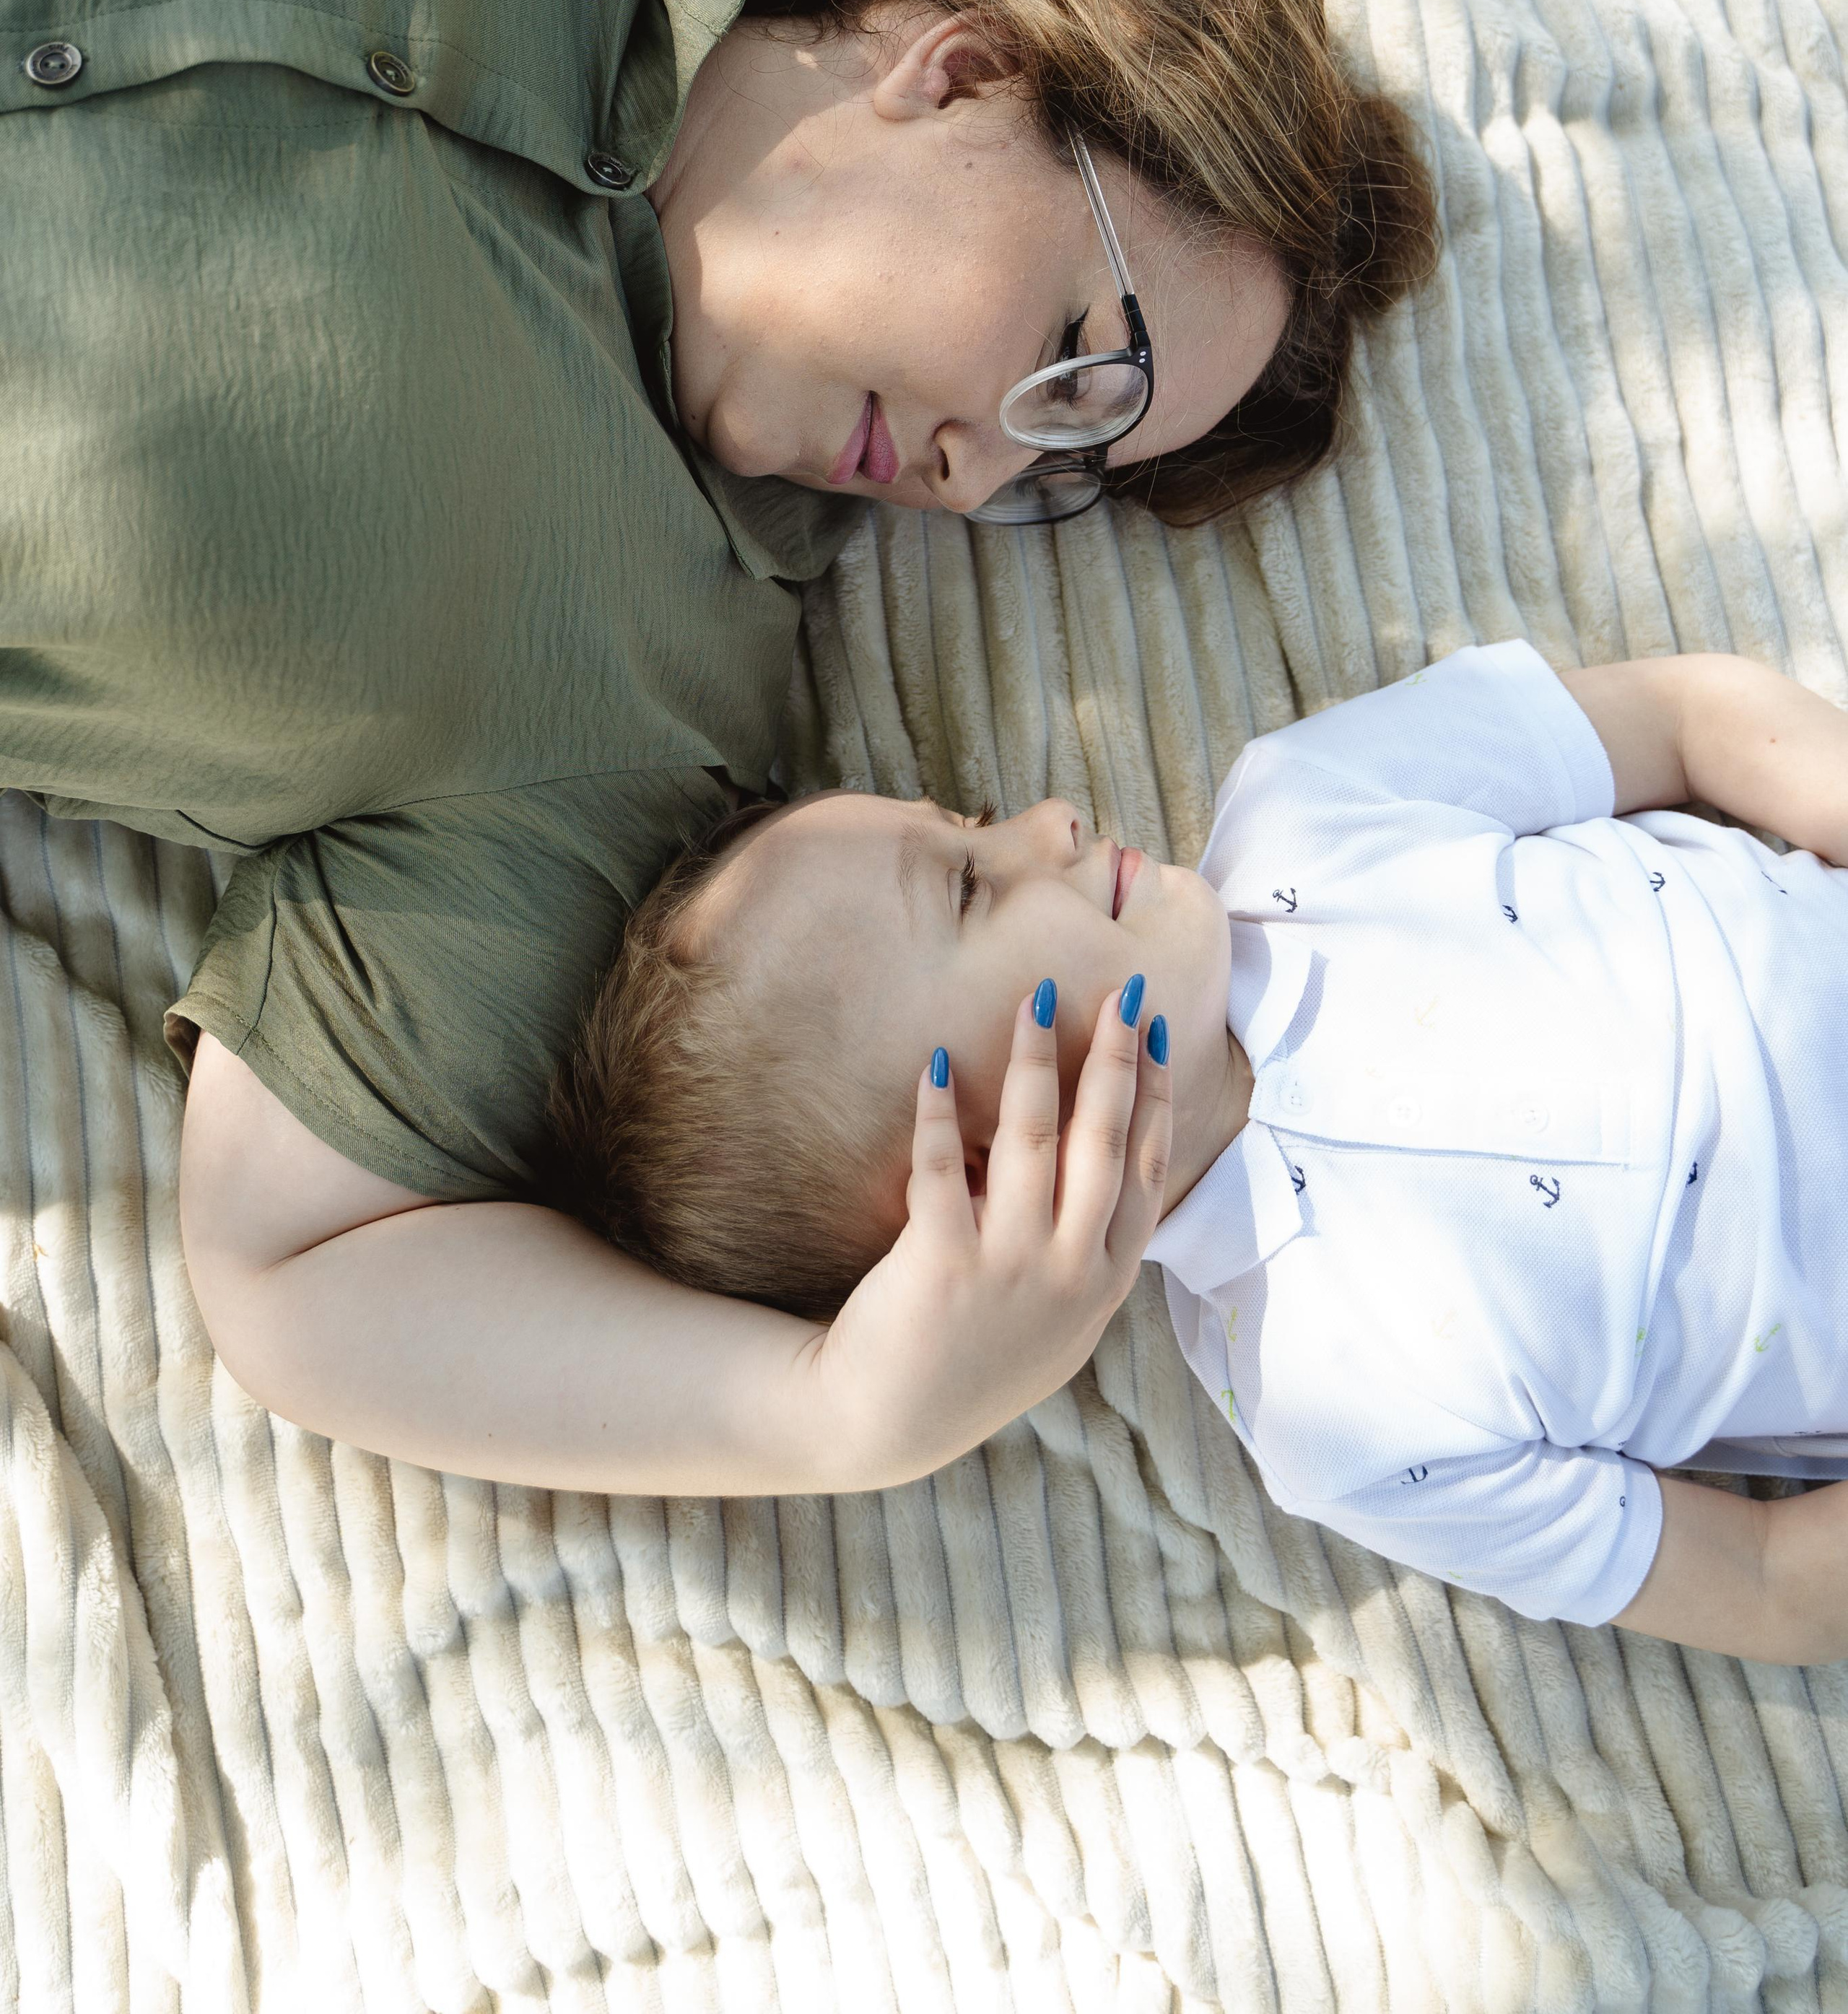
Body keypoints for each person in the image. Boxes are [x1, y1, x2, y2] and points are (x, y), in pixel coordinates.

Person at [0, 0, 1439, 1494]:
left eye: (1071, 472)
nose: (984, 478)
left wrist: (845, 1414)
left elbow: (306, 1270)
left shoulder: (634, 727)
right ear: (969, 69)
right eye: (1076, 364)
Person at [563, 639, 1848, 1660]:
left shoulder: (1316, 805)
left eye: (974, 817)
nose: (1051, 822)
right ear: (975, 1177)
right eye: (968, 885)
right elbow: (1767, 1584)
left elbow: (1691, 718)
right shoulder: (1331, 1409)